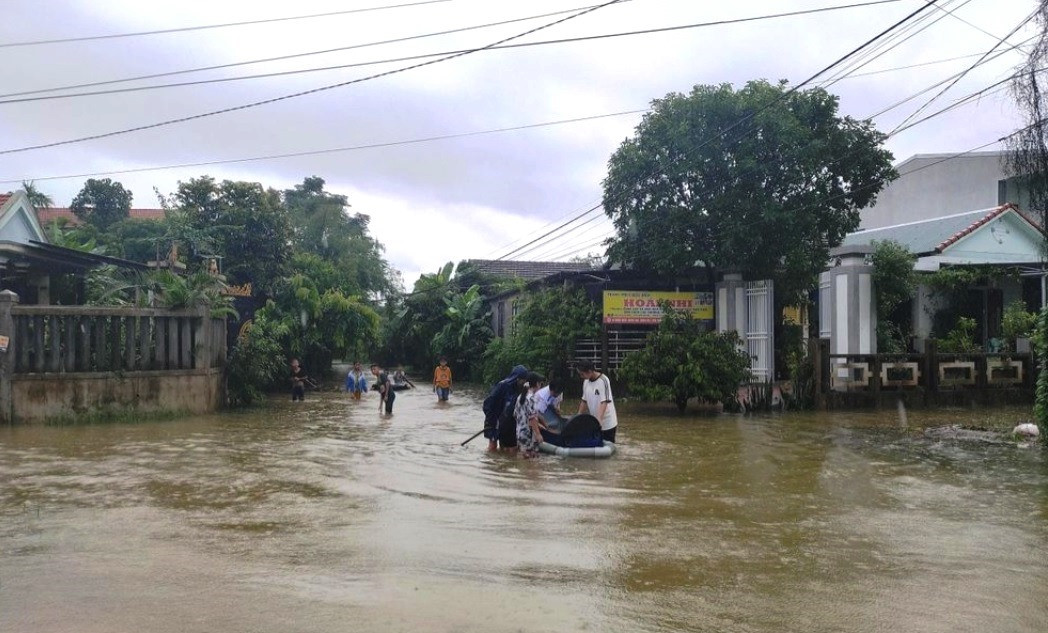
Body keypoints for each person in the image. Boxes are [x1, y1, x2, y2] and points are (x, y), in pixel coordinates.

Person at [481, 365, 528, 451]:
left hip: (507, 423)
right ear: (517, 378)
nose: (524, 382)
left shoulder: (519, 389)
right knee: (493, 447)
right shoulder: (502, 386)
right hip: (494, 420)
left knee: (508, 448)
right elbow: (488, 404)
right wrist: (492, 421)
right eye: (523, 380)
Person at [577, 361, 618, 443]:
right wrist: (578, 416)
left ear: (589, 371)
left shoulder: (603, 380)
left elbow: (604, 402)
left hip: (608, 424)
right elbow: (584, 401)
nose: (581, 376)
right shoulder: (586, 382)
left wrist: (599, 421)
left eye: (582, 374)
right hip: (595, 424)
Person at [515, 372, 546, 458]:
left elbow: (515, 415)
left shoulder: (520, 397)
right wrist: (538, 434)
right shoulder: (532, 398)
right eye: (540, 384)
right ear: (537, 384)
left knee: (523, 462)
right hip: (529, 435)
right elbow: (533, 418)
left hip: (520, 433)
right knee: (532, 463)